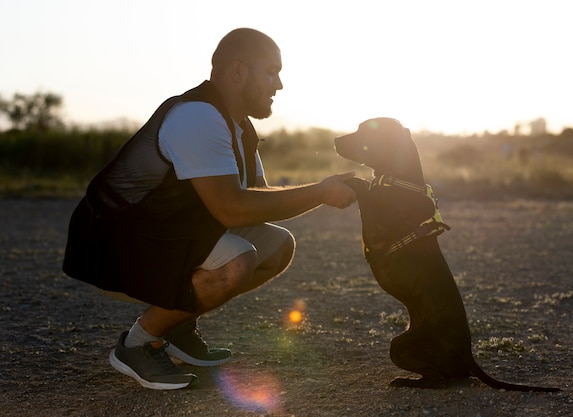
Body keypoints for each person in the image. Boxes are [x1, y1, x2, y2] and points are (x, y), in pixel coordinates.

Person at [62, 28, 356, 390]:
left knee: (277, 245)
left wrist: (327, 188)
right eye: (271, 71)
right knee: (237, 262)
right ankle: (137, 345)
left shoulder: (237, 126)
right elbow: (233, 210)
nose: (278, 85)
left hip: (162, 233)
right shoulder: (198, 117)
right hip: (112, 244)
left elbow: (256, 200)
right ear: (237, 71)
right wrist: (321, 192)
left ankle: (175, 326)